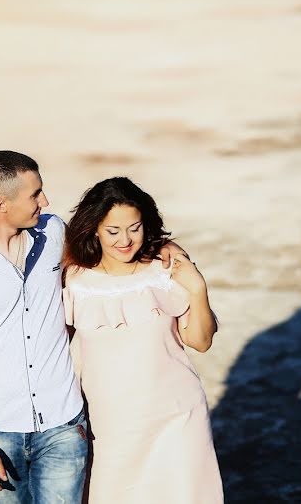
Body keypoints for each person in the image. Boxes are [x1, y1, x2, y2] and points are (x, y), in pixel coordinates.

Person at [0, 152, 186, 503]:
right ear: (1, 203)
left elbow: (107, 253)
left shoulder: (53, 234)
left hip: (64, 425)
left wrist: (161, 246)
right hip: (1, 432)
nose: (44, 201)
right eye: (34, 194)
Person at [62, 177, 223, 504]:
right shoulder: (73, 280)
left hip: (178, 417)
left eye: (134, 228)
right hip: (114, 424)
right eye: (113, 231)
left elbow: (201, 341)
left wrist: (198, 289)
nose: (125, 240)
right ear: (94, 228)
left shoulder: (165, 272)